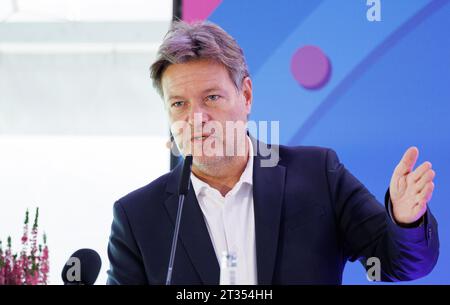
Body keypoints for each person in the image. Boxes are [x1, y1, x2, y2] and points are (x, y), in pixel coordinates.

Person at [106, 21, 439, 285]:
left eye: (212, 98)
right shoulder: (137, 217)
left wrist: (406, 221)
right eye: (179, 104)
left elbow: (399, 265)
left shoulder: (319, 175)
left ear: (246, 96)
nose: (196, 118)